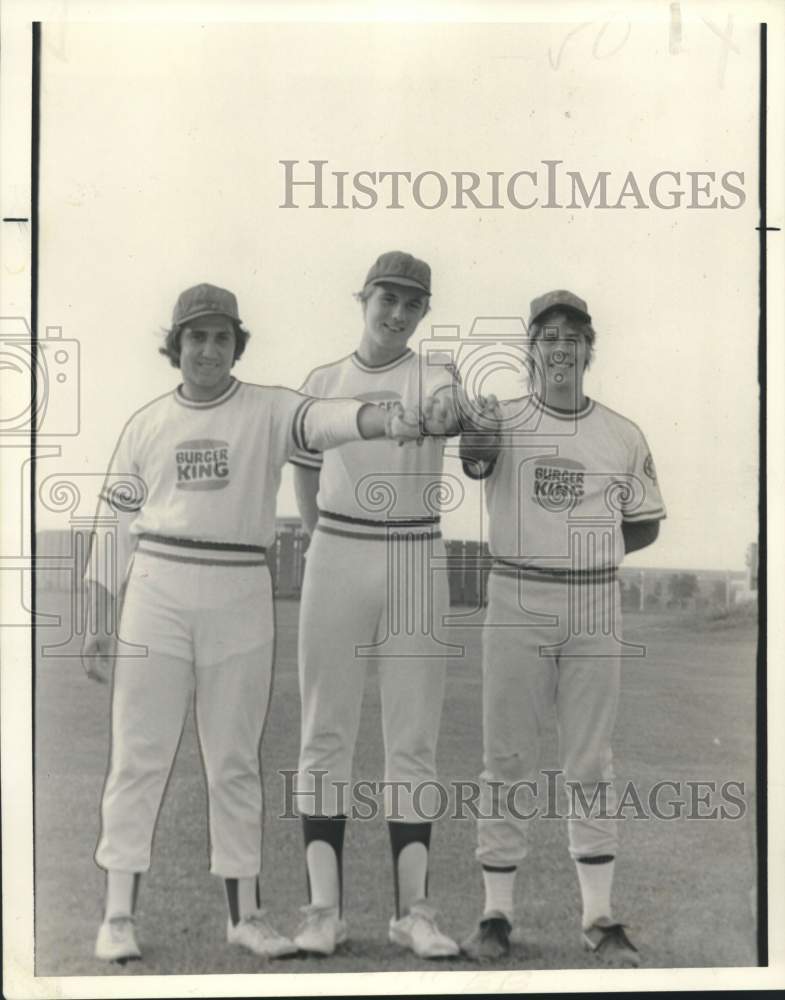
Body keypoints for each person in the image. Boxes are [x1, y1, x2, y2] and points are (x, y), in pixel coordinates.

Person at [82, 282, 422, 964]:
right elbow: (114, 523)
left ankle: (245, 916)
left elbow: (323, 420)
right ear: (175, 346)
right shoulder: (146, 423)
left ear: (236, 345)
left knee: (234, 761)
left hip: (239, 588)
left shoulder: (267, 408)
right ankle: (117, 916)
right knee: (139, 754)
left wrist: (381, 419)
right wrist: (98, 617)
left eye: (220, 338)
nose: (207, 349)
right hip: (159, 585)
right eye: (194, 337)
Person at [459, 290, 666, 966]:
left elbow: (642, 521)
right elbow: (474, 461)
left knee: (589, 761)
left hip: (592, 603)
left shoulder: (621, 433)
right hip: (515, 596)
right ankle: (495, 914)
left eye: (572, 336)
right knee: (507, 759)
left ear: (588, 349)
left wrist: (587, 554)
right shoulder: (503, 417)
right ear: (530, 349)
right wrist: (480, 430)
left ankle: (600, 917)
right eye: (547, 335)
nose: (560, 347)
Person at [290, 251, 462, 959]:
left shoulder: (436, 373)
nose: (396, 314)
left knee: (412, 738)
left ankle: (412, 912)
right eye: (386, 298)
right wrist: (319, 542)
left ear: (422, 312)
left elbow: (451, 411)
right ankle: (323, 911)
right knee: (324, 733)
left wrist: (446, 412)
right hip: (337, 548)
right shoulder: (322, 382)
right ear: (362, 298)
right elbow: (302, 469)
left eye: (411, 304)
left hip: (417, 552)